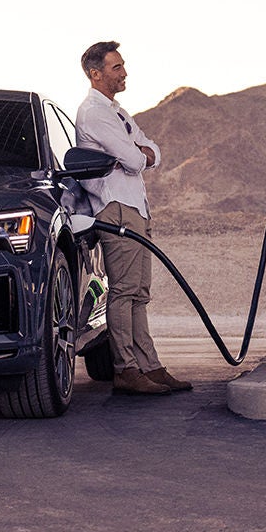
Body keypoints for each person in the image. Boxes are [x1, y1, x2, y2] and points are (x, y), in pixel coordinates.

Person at [74, 41, 192, 396]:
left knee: (140, 292)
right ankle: (125, 368)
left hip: (136, 206)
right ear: (95, 74)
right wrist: (141, 154)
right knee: (124, 291)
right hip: (115, 207)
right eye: (116, 67)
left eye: (123, 66)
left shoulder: (118, 111)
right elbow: (135, 159)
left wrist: (143, 153)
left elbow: (152, 149)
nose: (124, 73)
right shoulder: (93, 113)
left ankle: (150, 366)